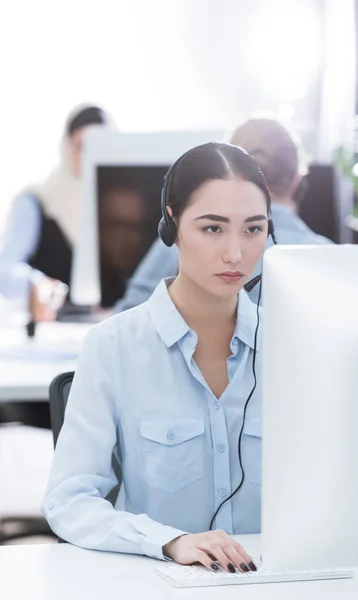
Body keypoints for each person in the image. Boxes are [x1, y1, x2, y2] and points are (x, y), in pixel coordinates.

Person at [42, 142, 272, 572]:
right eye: (212, 228)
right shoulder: (113, 347)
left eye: (253, 229)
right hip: (157, 585)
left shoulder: (294, 349)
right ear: (172, 226)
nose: (235, 254)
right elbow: (68, 500)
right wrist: (169, 541)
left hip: (279, 584)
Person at [116, 117, 333, 311]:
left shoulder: (186, 235)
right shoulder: (332, 259)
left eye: (254, 230)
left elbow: (129, 318)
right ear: (296, 179)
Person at [0, 105, 110, 321]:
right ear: (67, 146)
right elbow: (4, 270)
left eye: (102, 147)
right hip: (52, 337)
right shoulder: (37, 202)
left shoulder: (121, 209)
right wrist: (36, 283)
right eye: (82, 147)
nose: (92, 157)